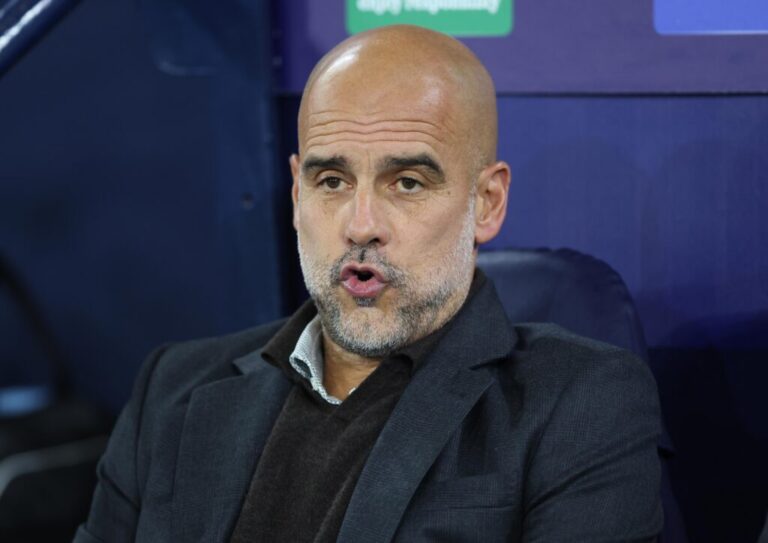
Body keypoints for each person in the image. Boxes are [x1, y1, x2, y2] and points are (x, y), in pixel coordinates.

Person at [74, 25, 662, 543]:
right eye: (331, 180)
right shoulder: (173, 389)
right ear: (297, 195)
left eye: (407, 182)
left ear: (486, 202)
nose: (361, 226)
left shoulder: (579, 404)